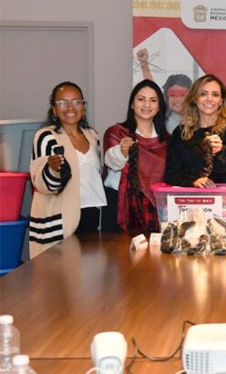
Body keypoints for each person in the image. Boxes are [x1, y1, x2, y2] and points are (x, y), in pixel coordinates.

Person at [29, 82, 106, 256]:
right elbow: (41, 184)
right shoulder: (46, 137)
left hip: (92, 214)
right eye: (63, 102)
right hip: (60, 218)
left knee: (91, 269)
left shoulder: (92, 136)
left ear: (83, 107)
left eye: (76, 102)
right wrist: (52, 169)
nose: (70, 107)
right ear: (54, 109)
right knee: (60, 271)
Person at [102, 79, 168, 234]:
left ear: (159, 107)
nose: (147, 105)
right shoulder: (117, 132)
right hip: (119, 206)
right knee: (116, 249)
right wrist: (122, 151)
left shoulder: (166, 141)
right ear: (132, 104)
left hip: (155, 209)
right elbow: (111, 161)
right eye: (141, 99)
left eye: (153, 100)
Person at [164, 74, 226, 187]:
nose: (209, 99)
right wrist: (193, 182)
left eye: (215, 94)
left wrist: (220, 150)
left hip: (223, 196)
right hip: (188, 196)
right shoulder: (181, 132)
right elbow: (170, 174)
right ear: (195, 99)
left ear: (221, 101)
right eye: (203, 94)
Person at [135, 48, 193, 133]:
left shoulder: (199, 118)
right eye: (172, 95)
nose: (177, 99)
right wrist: (144, 63)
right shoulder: (163, 117)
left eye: (182, 95)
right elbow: (152, 89)